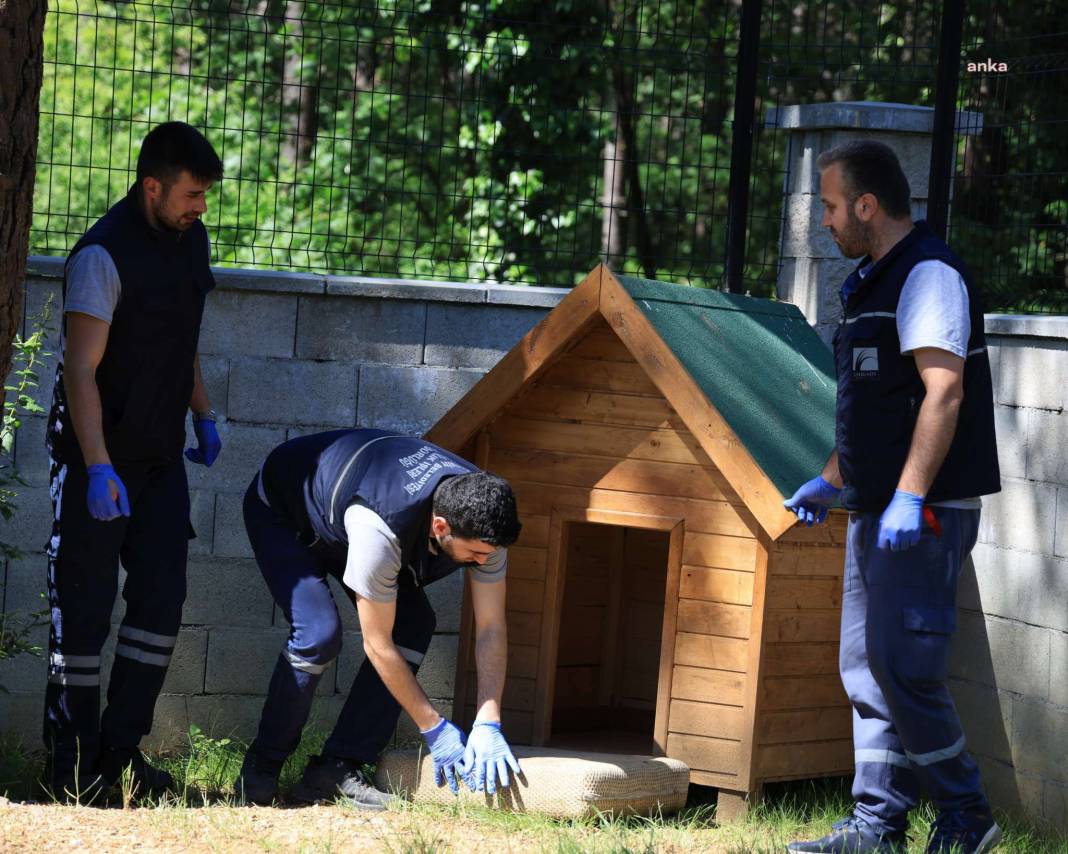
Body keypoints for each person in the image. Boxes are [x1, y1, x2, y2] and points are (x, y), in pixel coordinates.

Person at [783, 140, 1002, 854]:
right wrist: (833, 479)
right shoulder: (873, 282)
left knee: (904, 667)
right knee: (865, 665)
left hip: (924, 514)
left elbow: (943, 391)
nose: (826, 220)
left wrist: (909, 499)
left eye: (833, 205)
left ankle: (968, 816)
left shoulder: (929, 275)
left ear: (868, 207)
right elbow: (879, 405)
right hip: (875, 509)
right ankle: (878, 827)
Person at [43, 121, 224, 802]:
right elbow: (79, 372)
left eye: (204, 195)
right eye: (192, 193)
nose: (201, 206)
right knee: (83, 616)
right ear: (152, 186)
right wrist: (94, 467)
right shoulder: (101, 255)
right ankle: (70, 772)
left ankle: (120, 759)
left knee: (160, 603)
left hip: (158, 460)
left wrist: (203, 412)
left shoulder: (190, 241)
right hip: (98, 459)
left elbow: (184, 341)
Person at [234, 428, 523, 809]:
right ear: (440, 527)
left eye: (491, 553)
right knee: (318, 634)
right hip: (287, 512)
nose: (484, 561)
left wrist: (489, 719)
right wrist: (434, 728)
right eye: (475, 553)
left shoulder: (487, 524)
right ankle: (263, 765)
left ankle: (337, 768)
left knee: (413, 623)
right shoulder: (380, 529)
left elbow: (491, 627)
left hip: (348, 513)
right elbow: (377, 644)